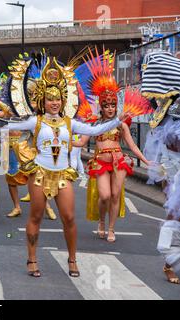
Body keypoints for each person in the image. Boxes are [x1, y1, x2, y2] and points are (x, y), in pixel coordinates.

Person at [0, 56, 130, 278]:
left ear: (63, 100)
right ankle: (32, 259)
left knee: (69, 218)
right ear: (42, 101)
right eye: (49, 99)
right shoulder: (34, 122)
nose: (54, 102)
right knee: (35, 217)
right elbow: (6, 125)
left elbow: (93, 131)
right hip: (39, 175)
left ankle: (72, 259)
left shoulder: (69, 123)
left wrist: (117, 120)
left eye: (58, 99)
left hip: (62, 175)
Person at [74, 49, 150, 243]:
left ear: (116, 107)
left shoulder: (122, 124)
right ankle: (101, 220)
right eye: (106, 105)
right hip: (100, 162)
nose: (109, 108)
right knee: (105, 196)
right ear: (101, 106)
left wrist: (145, 160)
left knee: (116, 195)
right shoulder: (93, 124)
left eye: (112, 105)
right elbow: (81, 142)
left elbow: (132, 146)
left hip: (118, 161)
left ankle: (111, 228)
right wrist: (62, 140)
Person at [140, 50, 180, 285]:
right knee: (175, 211)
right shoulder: (173, 108)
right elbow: (170, 138)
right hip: (175, 165)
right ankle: (170, 258)